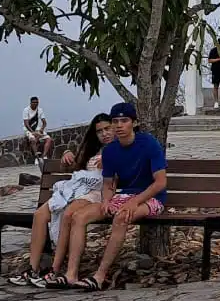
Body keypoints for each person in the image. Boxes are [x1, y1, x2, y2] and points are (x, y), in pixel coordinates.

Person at [67, 101, 167, 291]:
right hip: (124, 196)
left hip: (151, 198)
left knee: (122, 217)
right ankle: (71, 274)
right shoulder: (110, 151)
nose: (119, 125)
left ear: (134, 123)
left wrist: (134, 202)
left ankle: (99, 275)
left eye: (124, 120)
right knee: (79, 216)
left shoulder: (149, 144)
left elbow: (160, 183)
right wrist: (106, 200)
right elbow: (108, 184)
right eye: (115, 121)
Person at [9, 114, 112, 289]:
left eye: (107, 129)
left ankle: (55, 270)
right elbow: (74, 166)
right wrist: (67, 153)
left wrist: (111, 162)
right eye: (99, 131)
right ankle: (32, 269)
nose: (104, 134)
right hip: (76, 189)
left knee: (69, 212)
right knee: (40, 214)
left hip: (96, 194)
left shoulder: (120, 149)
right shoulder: (93, 149)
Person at [22, 96, 52, 165]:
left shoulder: (40, 110)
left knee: (48, 139)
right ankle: (37, 158)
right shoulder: (26, 110)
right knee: (33, 140)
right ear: (31, 103)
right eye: (34, 102)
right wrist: (33, 132)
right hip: (29, 130)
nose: (35, 104)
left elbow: (44, 122)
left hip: (38, 130)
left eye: (37, 102)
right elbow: (26, 123)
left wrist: (41, 130)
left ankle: (43, 156)